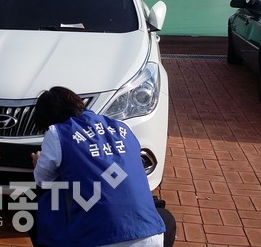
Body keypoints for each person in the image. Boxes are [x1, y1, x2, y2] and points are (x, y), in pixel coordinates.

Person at [30, 86, 174, 247]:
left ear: (47, 118)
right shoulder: (122, 127)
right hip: (151, 235)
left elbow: (43, 181)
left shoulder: (58, 133)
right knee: (166, 217)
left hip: (101, 239)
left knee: (39, 208)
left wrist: (38, 163)